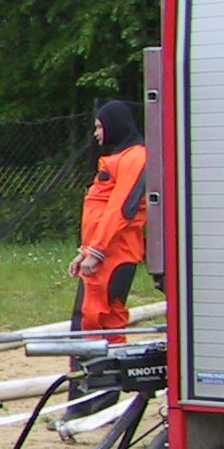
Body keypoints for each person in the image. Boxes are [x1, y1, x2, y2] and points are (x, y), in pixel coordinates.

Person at [70, 98, 146, 334]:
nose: (96, 133)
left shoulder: (134, 157)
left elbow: (121, 208)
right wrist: (85, 251)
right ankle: (105, 370)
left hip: (113, 254)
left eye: (100, 127)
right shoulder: (123, 157)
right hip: (105, 253)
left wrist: (95, 252)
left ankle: (90, 371)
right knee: (107, 321)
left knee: (91, 321)